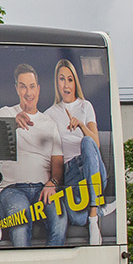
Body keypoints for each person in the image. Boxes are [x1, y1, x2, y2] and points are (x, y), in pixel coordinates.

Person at [0, 64, 66, 247]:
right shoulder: (4, 113)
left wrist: (54, 183)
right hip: (12, 190)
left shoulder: (49, 123)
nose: (29, 92)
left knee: (60, 219)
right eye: (23, 86)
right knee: (21, 219)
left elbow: (58, 163)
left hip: (43, 190)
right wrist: (12, 124)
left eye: (32, 86)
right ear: (16, 89)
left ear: (38, 89)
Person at [45, 59, 107, 245]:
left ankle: (94, 215)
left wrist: (80, 125)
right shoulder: (50, 114)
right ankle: (99, 209)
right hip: (71, 171)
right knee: (77, 218)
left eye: (70, 79)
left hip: (92, 167)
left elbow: (96, 144)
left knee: (87, 142)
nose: (66, 84)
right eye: (62, 79)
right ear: (57, 83)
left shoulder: (85, 106)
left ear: (75, 82)